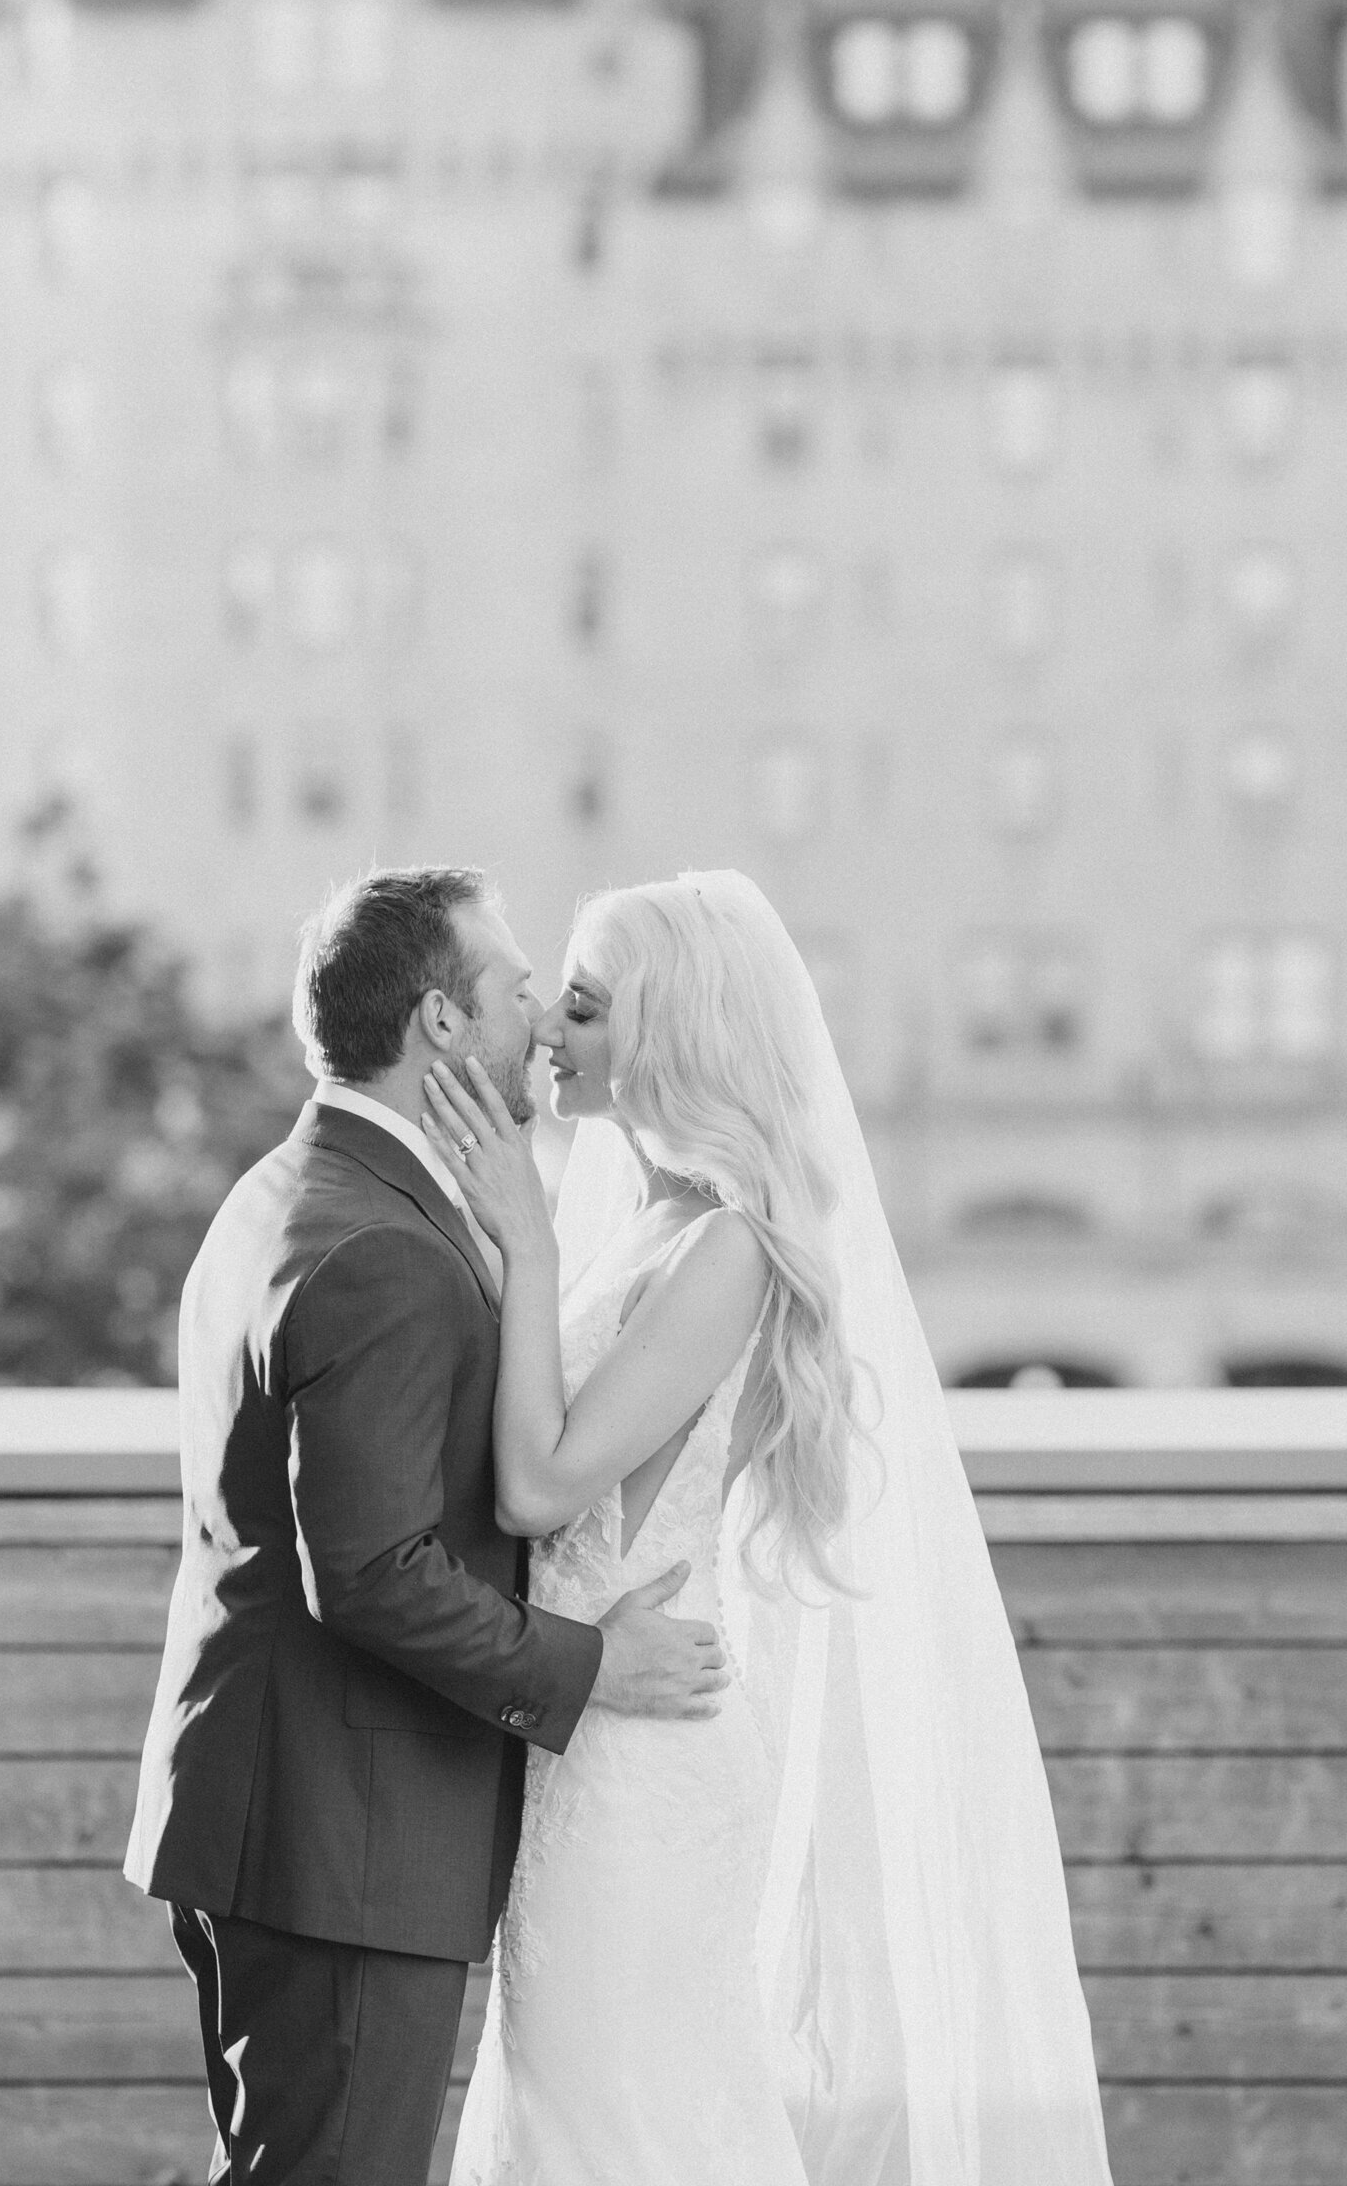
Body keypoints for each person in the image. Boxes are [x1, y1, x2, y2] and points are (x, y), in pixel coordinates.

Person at [424, 869, 1115, 2186]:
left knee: (622, 2119)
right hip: (587, 1735)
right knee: (589, 2111)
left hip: (643, 1766)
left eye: (583, 1008)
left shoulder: (728, 1250)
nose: (550, 1037)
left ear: (668, 1036)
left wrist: (518, 1226)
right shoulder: (647, 1233)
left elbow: (544, 1489)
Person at [124, 867, 727, 2186]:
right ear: (445, 1025)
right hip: (340, 1840)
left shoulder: (284, 1189)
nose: (538, 1023)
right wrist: (593, 1666)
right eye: (519, 990)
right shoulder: (383, 1246)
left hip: (272, 1813)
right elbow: (375, 1570)